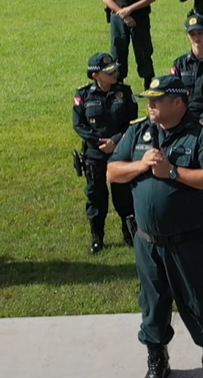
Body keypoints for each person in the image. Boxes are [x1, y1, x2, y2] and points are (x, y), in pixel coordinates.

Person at [108, 75, 203, 378]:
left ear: (178, 102)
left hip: (192, 241)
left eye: (157, 100)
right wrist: (142, 166)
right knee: (153, 303)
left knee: (202, 301)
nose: (150, 105)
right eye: (148, 99)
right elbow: (112, 171)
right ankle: (157, 358)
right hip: (149, 242)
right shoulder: (139, 132)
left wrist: (172, 172)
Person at [73, 52, 138, 254]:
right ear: (95, 76)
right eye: (109, 72)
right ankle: (97, 238)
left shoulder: (125, 93)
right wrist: (97, 141)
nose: (114, 73)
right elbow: (79, 124)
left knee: (124, 197)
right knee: (96, 197)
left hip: (120, 152)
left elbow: (133, 123)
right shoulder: (83, 95)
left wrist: (115, 141)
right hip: (95, 154)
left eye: (115, 69)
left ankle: (130, 234)